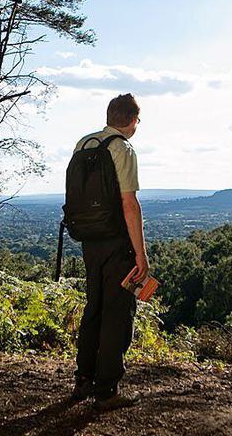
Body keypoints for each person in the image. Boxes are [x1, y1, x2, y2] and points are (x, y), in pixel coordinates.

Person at [69, 93, 149, 411]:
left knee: (94, 308)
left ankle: (83, 380)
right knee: (118, 314)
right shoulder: (122, 148)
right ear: (131, 120)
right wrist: (141, 255)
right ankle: (107, 391)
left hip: (90, 240)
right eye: (138, 120)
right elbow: (129, 204)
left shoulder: (84, 144)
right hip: (117, 243)